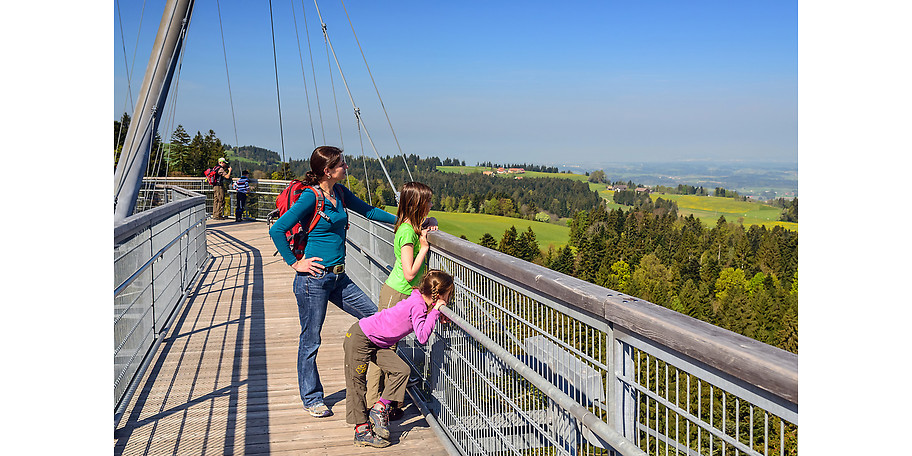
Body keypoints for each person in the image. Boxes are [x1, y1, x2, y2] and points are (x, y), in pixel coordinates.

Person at [268, 145, 397, 419]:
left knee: (375, 318)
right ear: (327, 171)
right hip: (312, 280)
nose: (346, 168)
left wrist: (407, 222)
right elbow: (277, 229)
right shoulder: (309, 197)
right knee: (311, 339)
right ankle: (312, 397)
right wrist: (296, 262)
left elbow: (369, 212)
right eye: (341, 164)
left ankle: (381, 381)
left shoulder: (338, 193)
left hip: (339, 278)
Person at [343, 269, 453, 448]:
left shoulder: (419, 300)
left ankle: (379, 408)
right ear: (439, 295)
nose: (448, 300)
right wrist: (435, 312)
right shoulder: (418, 305)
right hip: (360, 337)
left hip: (376, 342)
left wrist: (436, 312)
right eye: (447, 295)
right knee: (357, 384)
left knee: (401, 370)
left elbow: (422, 317)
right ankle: (361, 431)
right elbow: (422, 337)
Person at [365, 182, 437, 417]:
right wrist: (424, 248)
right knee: (383, 347)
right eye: (427, 201)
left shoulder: (412, 227)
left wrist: (431, 221)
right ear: (417, 204)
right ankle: (373, 401)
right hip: (397, 293)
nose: (430, 204)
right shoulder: (407, 232)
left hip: (406, 294)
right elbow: (408, 273)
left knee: (391, 350)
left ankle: (391, 402)